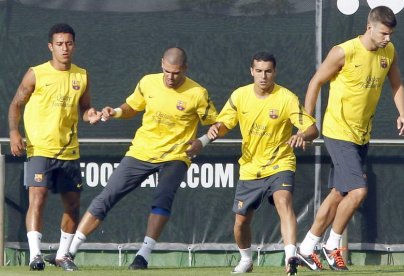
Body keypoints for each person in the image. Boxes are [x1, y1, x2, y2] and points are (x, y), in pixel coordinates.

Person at [44, 47, 218, 270]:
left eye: (176, 72)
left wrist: (201, 142)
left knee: (162, 198)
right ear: (161, 63)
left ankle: (142, 256)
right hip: (141, 151)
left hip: (176, 155)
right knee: (107, 196)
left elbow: (217, 124)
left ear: (184, 68)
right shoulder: (148, 82)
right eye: (167, 71)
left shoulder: (197, 93)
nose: (170, 77)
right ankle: (68, 254)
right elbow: (131, 107)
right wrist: (114, 112)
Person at [297, 6, 404, 271]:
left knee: (339, 193)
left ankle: (305, 247)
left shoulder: (388, 52)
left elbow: (397, 84)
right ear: (369, 27)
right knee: (358, 191)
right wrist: (306, 121)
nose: (387, 38)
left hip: (362, 133)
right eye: (384, 33)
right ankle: (331, 244)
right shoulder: (343, 51)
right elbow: (315, 82)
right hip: (338, 131)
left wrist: (403, 113)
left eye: (391, 33)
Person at [208, 52, 319, 275]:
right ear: (252, 72)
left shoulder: (286, 97)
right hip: (250, 168)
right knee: (240, 223)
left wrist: (302, 136)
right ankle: (246, 260)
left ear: (274, 72)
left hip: (280, 163)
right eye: (259, 71)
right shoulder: (240, 96)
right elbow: (224, 124)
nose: (263, 76)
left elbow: (313, 129)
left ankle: (290, 258)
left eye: (268, 71)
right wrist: (214, 130)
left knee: (283, 201)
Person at [8, 23, 102, 271]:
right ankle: (35, 255)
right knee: (37, 198)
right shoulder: (36, 73)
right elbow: (16, 104)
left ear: (74, 45)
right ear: (51, 47)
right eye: (59, 44)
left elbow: (85, 108)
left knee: (72, 204)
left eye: (69, 43)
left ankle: (62, 255)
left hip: (68, 150)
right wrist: (14, 132)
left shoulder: (81, 75)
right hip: (39, 148)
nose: (64, 48)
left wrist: (90, 114)